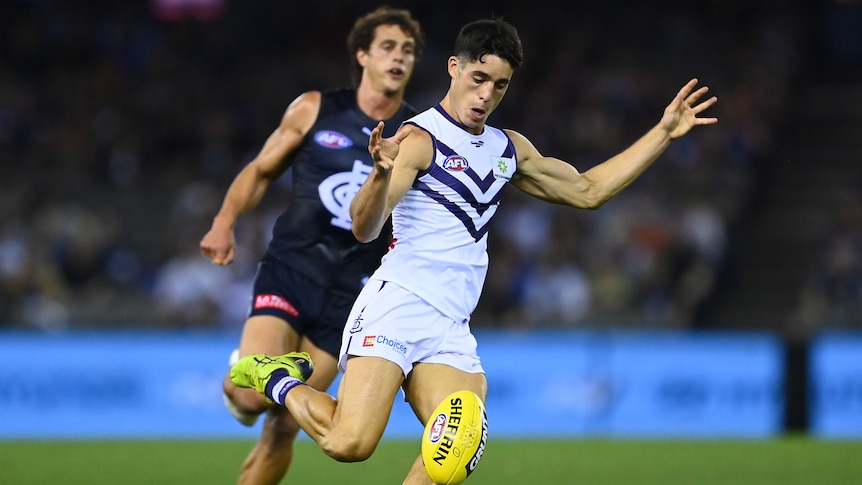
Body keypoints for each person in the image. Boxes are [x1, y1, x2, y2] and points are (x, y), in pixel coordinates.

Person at [230, 17, 718, 484]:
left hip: (450, 325)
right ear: (454, 67)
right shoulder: (420, 139)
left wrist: (663, 133)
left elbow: (589, 191)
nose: (486, 94)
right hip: (396, 306)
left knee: (455, 448)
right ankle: (276, 376)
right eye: (479, 77)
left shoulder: (508, 149)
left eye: (500, 85)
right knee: (349, 444)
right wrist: (379, 173)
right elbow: (364, 227)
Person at [198, 7, 424, 485]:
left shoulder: (418, 136)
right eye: (388, 47)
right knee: (253, 398)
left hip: (354, 295)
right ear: (362, 55)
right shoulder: (314, 108)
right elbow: (260, 170)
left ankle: (252, 374)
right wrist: (224, 222)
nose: (399, 58)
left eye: (407, 50)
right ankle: (239, 378)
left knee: (283, 424)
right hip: (292, 269)